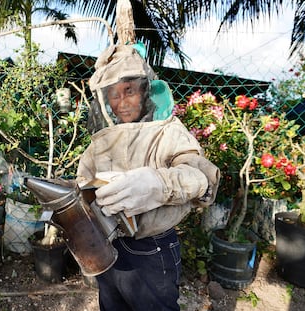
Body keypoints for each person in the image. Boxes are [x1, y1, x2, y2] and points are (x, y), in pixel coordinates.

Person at [76, 43, 220, 311]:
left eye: (128, 91)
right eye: (113, 95)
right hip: (107, 245)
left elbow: (201, 175)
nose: (122, 102)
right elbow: (82, 184)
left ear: (145, 90)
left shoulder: (168, 131)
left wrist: (158, 184)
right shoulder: (99, 142)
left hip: (152, 248)